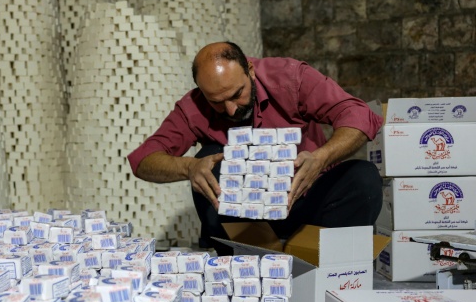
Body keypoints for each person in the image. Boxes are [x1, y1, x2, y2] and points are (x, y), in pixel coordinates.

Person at [127, 41, 383, 255]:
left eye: (236, 94)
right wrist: (189, 166)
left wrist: (320, 158)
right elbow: (143, 160)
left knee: (363, 177)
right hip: (245, 219)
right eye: (217, 102)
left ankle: (334, 267)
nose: (231, 109)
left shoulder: (290, 78)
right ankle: (248, 267)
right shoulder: (194, 106)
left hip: (304, 199)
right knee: (208, 159)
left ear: (250, 69)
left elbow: (358, 114)